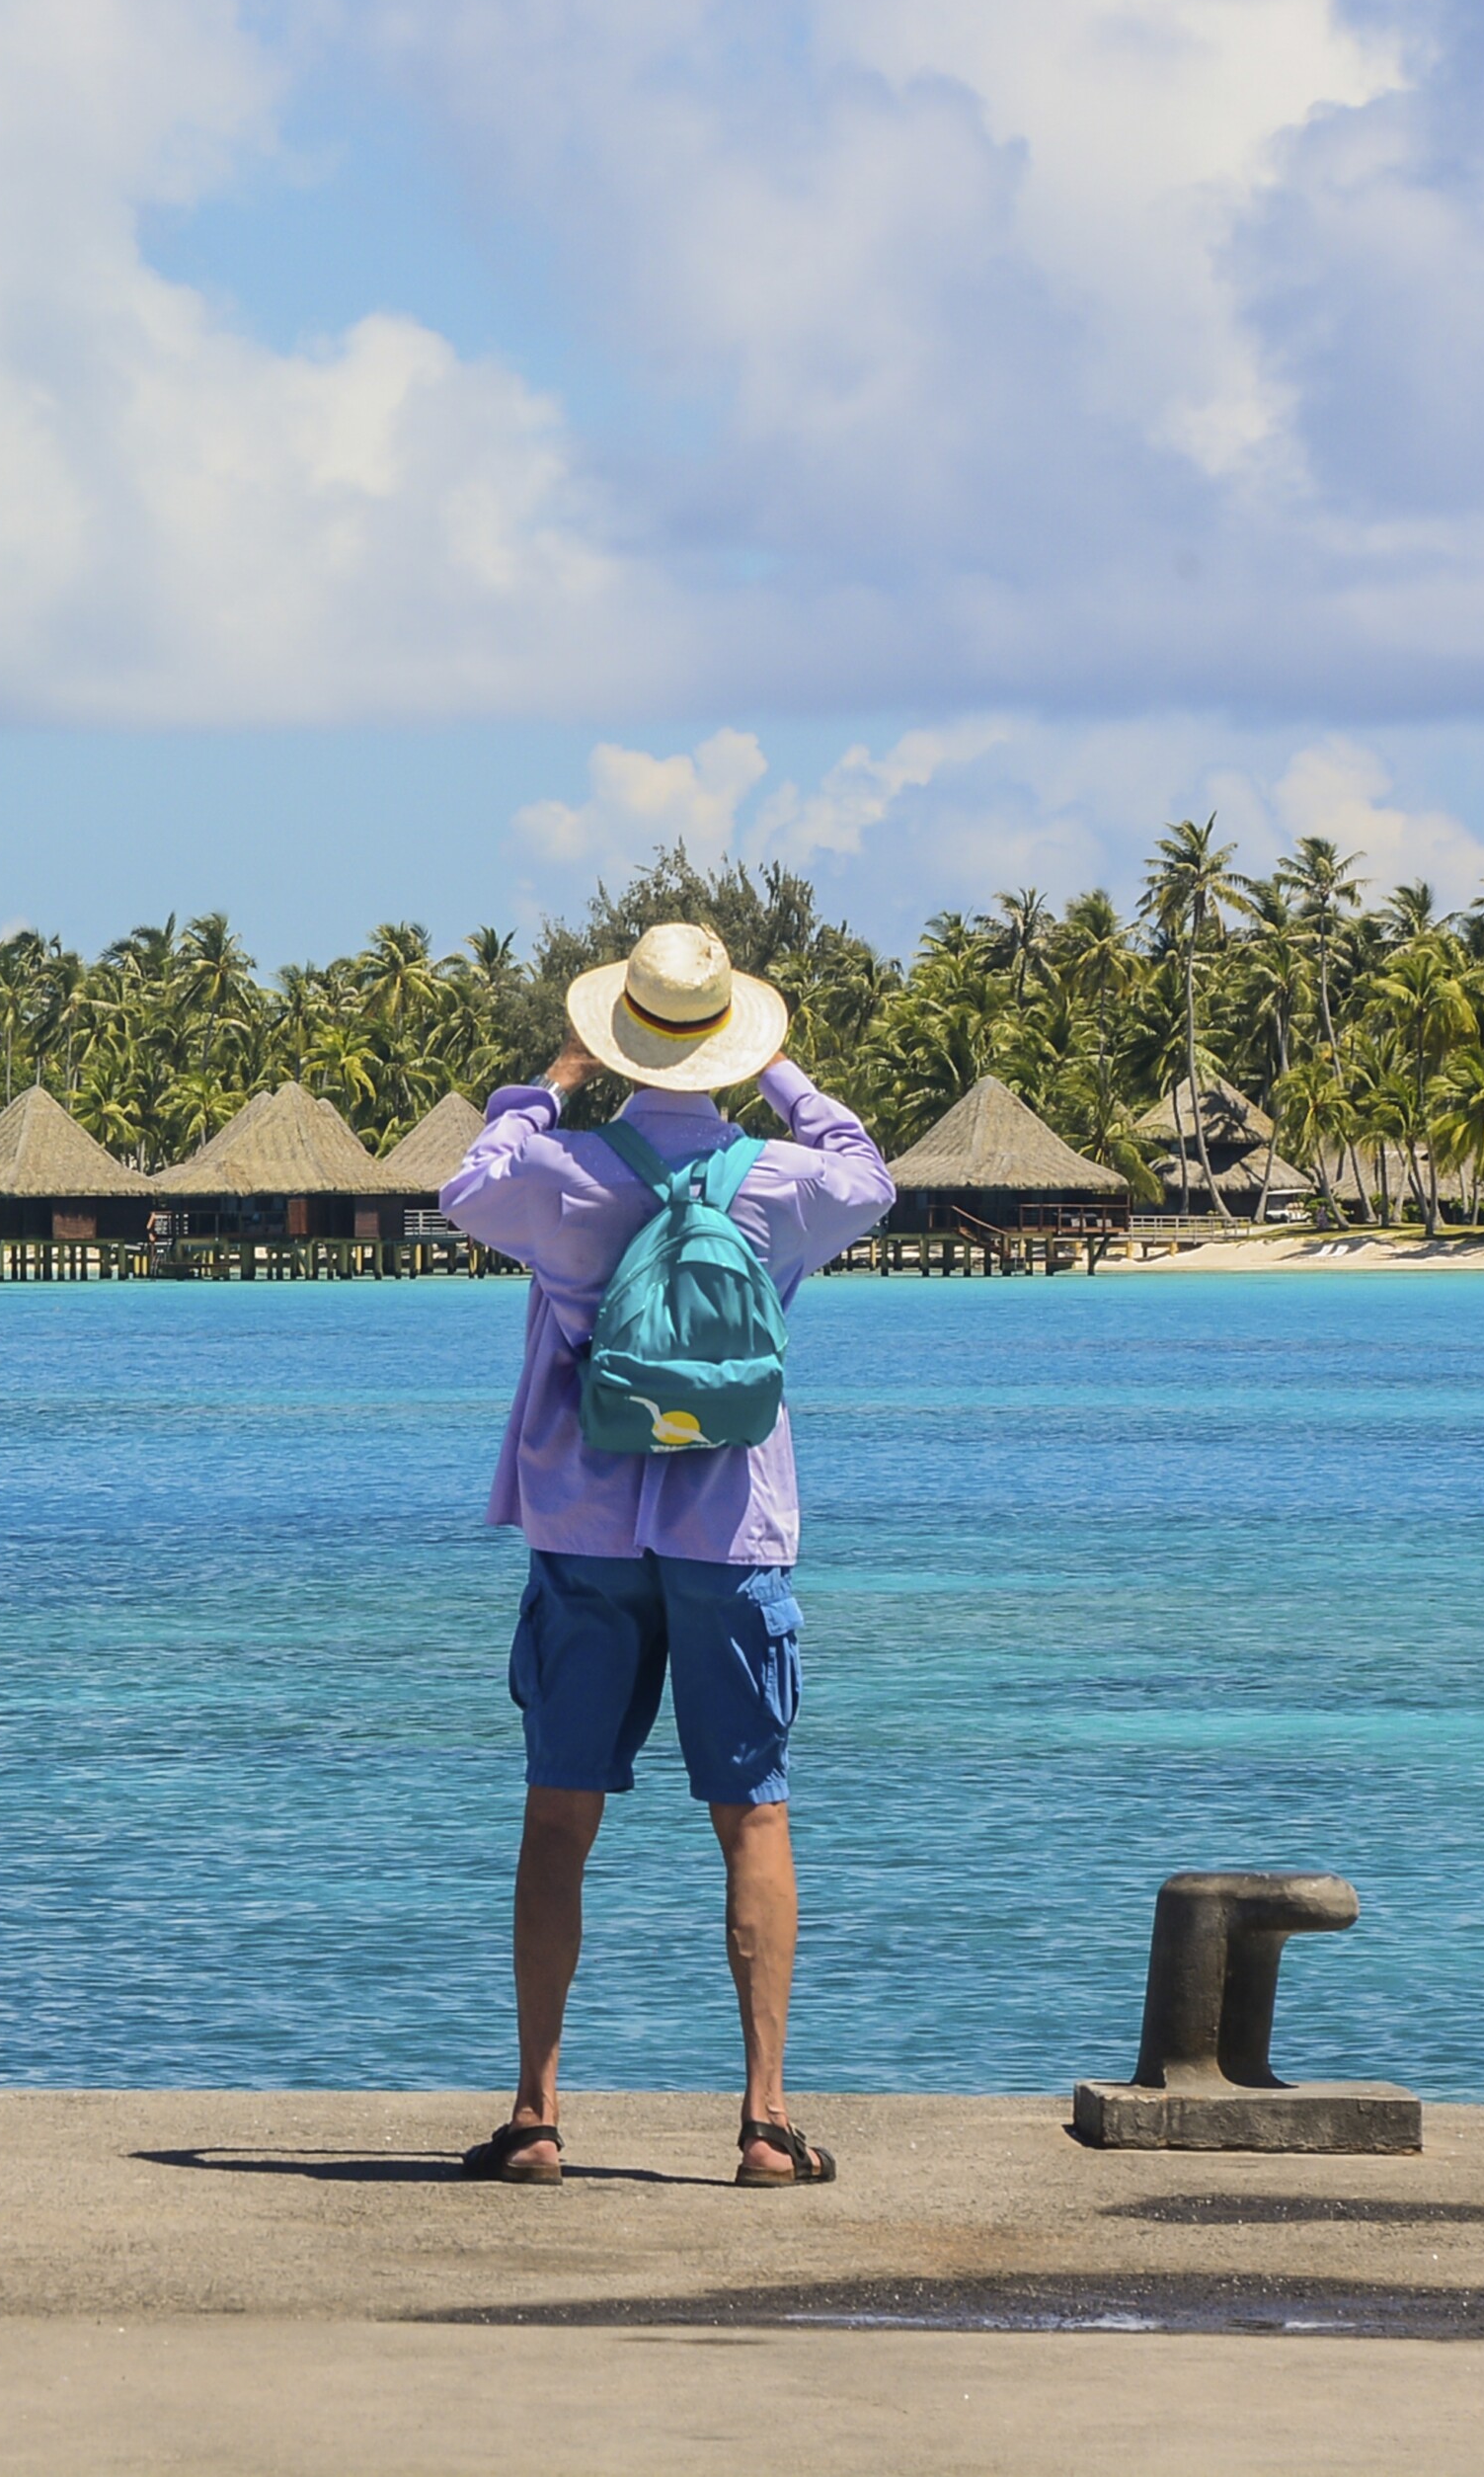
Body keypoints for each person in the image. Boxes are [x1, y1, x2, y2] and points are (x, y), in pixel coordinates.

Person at [437, 921, 895, 2189]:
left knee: (558, 1816)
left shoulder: (562, 1173)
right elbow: (870, 1174)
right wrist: (783, 1076)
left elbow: (467, 1185)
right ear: (730, 1042)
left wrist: (548, 1085)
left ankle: (536, 2114)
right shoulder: (783, 1182)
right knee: (753, 1816)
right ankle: (764, 2121)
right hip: (729, 1526)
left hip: (583, 1527)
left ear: (618, 1034)